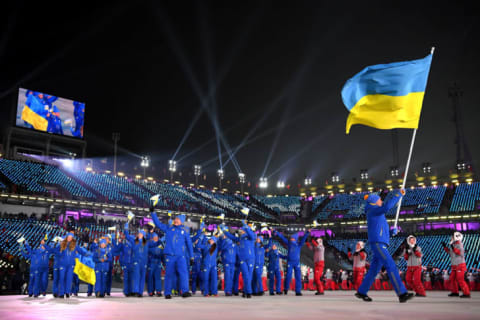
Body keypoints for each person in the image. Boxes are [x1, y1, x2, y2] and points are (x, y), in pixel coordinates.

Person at [355, 190, 414, 303]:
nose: (381, 201)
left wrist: (391, 232)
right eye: (379, 200)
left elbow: (380, 229)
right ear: (374, 202)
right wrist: (398, 195)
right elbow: (387, 207)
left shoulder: (376, 213)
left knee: (374, 270)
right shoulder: (373, 210)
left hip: (379, 242)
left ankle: (362, 291)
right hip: (378, 243)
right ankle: (402, 293)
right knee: (391, 266)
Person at [150, 209, 194, 299]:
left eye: (178, 219)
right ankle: (167, 293)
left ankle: (185, 291)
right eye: (175, 219)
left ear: (181, 221)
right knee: (169, 274)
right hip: (170, 256)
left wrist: (191, 256)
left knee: (184, 273)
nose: (176, 220)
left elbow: (189, 244)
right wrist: (153, 213)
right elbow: (158, 224)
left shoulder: (185, 230)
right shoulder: (169, 228)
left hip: (181, 256)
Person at [221, 220, 256, 298]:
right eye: (241, 230)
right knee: (245, 275)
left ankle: (246, 291)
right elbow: (231, 237)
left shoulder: (251, 237)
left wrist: (246, 226)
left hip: (250, 258)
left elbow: (252, 235)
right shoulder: (240, 239)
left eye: (242, 230)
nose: (241, 231)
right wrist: (223, 230)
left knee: (249, 275)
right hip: (242, 259)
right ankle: (248, 292)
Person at [273, 229, 310, 296]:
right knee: (288, 276)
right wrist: (276, 232)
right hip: (290, 262)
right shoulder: (289, 244)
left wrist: (307, 233)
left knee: (298, 277)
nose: (291, 239)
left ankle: (298, 291)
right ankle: (286, 289)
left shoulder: (299, 244)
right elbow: (282, 237)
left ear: (295, 239)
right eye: (291, 238)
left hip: (296, 262)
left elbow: (304, 239)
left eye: (292, 238)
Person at [52, 232, 89, 298]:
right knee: (62, 278)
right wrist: (52, 247)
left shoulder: (75, 245)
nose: (69, 238)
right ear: (66, 237)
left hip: (71, 265)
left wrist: (89, 254)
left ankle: (67, 292)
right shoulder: (62, 244)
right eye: (68, 237)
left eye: (71, 237)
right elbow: (54, 251)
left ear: (72, 238)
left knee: (69, 279)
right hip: (62, 265)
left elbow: (82, 252)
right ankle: (61, 293)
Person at [442, 231, 470, 298]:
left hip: (460, 265)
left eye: (452, 236)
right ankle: (455, 292)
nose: (451, 238)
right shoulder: (454, 244)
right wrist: (445, 247)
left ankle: (466, 293)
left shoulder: (459, 244)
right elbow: (450, 253)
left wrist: (452, 247)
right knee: (452, 279)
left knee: (460, 279)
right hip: (454, 265)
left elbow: (460, 253)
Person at [218, 231, 237, 296]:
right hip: (227, 261)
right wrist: (223, 239)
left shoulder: (234, 245)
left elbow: (237, 253)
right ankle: (228, 291)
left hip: (233, 261)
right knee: (228, 276)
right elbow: (221, 248)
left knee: (231, 276)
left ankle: (230, 290)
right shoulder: (225, 242)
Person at [147, 233, 164, 297]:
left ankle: (158, 291)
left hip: (158, 262)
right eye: (155, 237)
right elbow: (151, 251)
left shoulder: (160, 243)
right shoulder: (149, 243)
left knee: (158, 278)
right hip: (151, 262)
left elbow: (161, 253)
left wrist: (164, 262)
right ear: (152, 237)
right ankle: (150, 291)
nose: (156, 238)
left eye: (157, 237)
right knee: (150, 278)